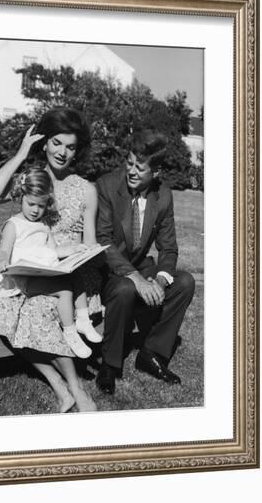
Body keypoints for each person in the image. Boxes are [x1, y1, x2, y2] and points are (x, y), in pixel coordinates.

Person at [0, 107, 102, 413]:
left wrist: (87, 279)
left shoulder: (86, 189)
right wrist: (23, 152)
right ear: (45, 143)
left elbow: (90, 246)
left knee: (36, 307)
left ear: (78, 151)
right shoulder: (32, 181)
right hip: (30, 274)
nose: (63, 152)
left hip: (69, 277)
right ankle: (64, 387)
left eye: (71, 147)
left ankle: (74, 388)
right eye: (57, 143)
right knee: (13, 308)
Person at [95, 128, 195, 394]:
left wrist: (161, 281)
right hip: (106, 270)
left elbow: (169, 248)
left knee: (184, 282)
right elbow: (103, 242)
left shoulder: (163, 196)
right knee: (126, 287)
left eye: (140, 167)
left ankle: (151, 354)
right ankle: (110, 364)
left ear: (156, 173)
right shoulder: (106, 185)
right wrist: (137, 279)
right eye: (129, 163)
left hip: (141, 266)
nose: (131, 171)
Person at [0, 166, 95, 358]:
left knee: (76, 274)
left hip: (41, 272)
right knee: (65, 291)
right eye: (31, 204)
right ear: (20, 197)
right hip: (23, 279)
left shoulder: (43, 225)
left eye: (41, 206)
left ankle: (84, 319)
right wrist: (2, 262)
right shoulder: (14, 225)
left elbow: (53, 250)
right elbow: (4, 250)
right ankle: (71, 332)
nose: (35, 210)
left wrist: (73, 250)